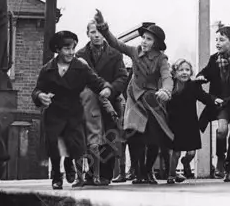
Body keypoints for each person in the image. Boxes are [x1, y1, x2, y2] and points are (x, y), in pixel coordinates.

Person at [92, 12, 176, 184]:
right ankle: (138, 172)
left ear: (156, 44)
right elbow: (116, 43)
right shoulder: (135, 52)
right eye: (143, 38)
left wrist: (166, 91)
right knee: (134, 135)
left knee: (154, 137)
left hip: (152, 99)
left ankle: (148, 171)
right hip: (134, 97)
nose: (144, 41)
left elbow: (167, 76)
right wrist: (102, 26)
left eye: (149, 39)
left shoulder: (161, 59)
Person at [32, 31, 112, 190]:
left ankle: (69, 165)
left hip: (74, 111)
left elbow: (97, 82)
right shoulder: (47, 69)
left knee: (74, 144)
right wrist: (40, 96)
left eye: (73, 48)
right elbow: (37, 90)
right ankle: (56, 176)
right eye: (67, 49)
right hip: (54, 112)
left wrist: (106, 89)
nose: (71, 52)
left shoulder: (80, 67)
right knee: (54, 145)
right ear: (57, 49)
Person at [76, 20, 129, 186]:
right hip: (89, 102)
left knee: (109, 137)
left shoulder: (115, 53)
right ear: (87, 34)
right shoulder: (80, 55)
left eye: (99, 32)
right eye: (93, 32)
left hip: (110, 101)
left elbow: (122, 77)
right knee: (90, 137)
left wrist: (111, 90)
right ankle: (91, 175)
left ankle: (106, 175)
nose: (97, 35)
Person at [197, 23, 230, 181]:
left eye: (221, 40)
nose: (218, 43)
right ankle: (220, 159)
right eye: (216, 40)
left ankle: (229, 170)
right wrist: (201, 76)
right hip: (221, 102)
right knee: (221, 130)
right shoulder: (214, 59)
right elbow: (207, 72)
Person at [166, 59, 220, 184]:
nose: (184, 73)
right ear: (174, 73)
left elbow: (203, 96)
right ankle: (171, 175)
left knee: (191, 152)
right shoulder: (171, 85)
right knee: (176, 151)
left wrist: (214, 99)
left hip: (190, 123)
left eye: (187, 70)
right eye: (181, 70)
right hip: (175, 123)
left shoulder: (193, 85)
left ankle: (186, 162)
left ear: (191, 72)